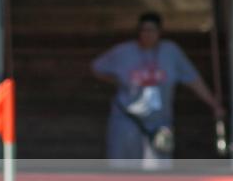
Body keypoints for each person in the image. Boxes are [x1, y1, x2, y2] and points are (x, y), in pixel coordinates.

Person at [91, 12, 224, 162]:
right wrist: (117, 80)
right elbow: (97, 68)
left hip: (160, 123)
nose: (147, 34)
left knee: (160, 168)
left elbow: (193, 80)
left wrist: (214, 104)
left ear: (160, 32)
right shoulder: (123, 52)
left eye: (152, 30)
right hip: (128, 119)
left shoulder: (171, 52)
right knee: (124, 167)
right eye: (144, 30)